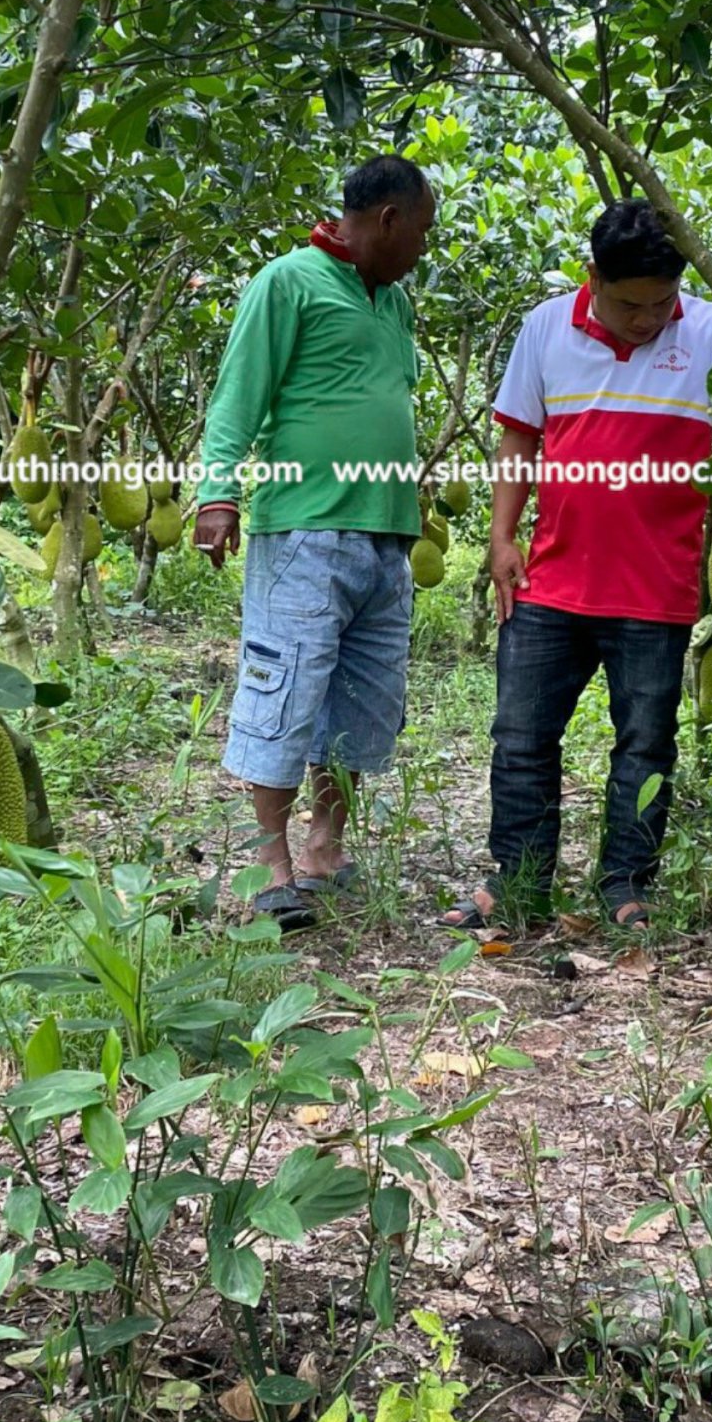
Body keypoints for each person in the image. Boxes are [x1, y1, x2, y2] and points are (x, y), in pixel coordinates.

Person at [442, 198, 712, 937]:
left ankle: (626, 885)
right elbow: (518, 439)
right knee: (520, 739)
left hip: (658, 590)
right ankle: (516, 883)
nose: (648, 320)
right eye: (629, 305)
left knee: (644, 747)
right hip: (551, 579)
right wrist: (500, 538)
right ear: (593, 279)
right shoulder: (545, 328)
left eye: (660, 303)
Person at [194, 156, 436, 931]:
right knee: (285, 690)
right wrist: (217, 492)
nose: (424, 249)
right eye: (422, 232)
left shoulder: (393, 301)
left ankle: (326, 848)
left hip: (387, 538)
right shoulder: (288, 282)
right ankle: (268, 864)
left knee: (360, 701)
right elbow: (240, 392)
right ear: (389, 220)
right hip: (305, 527)